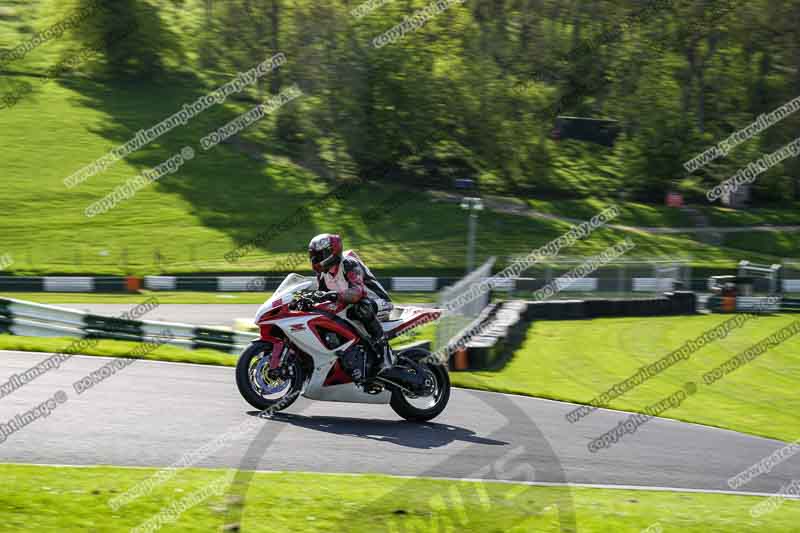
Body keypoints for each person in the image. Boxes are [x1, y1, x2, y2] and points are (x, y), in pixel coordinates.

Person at [308, 233, 394, 381]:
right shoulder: (323, 274)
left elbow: (357, 292)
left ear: (331, 252)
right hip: (350, 305)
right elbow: (321, 297)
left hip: (377, 302)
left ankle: (384, 355)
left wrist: (334, 295)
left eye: (319, 255)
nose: (315, 260)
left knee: (361, 308)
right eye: (313, 256)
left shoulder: (349, 264)